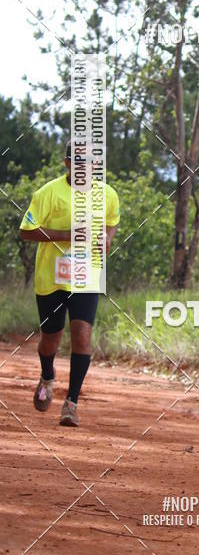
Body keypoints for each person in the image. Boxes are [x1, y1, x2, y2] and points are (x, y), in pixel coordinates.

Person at [19, 139, 120, 427]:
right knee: (51, 339)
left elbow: (112, 220)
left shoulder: (107, 194)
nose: (86, 167)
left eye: (91, 162)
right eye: (79, 161)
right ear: (67, 163)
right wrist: (66, 235)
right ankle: (47, 376)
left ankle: (71, 403)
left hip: (87, 277)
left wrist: (108, 237)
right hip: (51, 279)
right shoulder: (47, 193)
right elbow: (26, 231)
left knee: (82, 335)